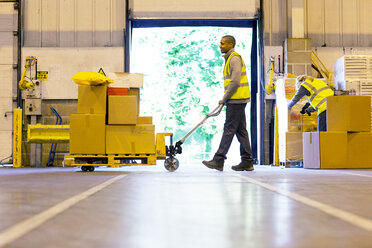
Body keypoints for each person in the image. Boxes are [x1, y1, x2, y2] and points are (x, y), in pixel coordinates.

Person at [202, 35, 254, 172]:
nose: (220, 46)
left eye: (223, 44)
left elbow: (235, 81)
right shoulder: (230, 59)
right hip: (237, 99)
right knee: (241, 131)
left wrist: (225, 98)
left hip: (236, 100)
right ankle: (247, 161)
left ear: (231, 45)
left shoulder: (234, 58)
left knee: (229, 129)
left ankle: (218, 159)